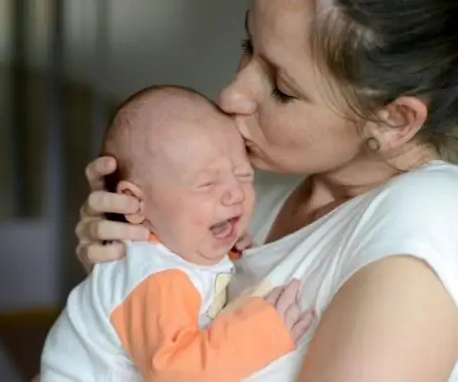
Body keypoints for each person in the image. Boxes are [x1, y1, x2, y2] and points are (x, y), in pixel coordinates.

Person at [73, 1, 458, 381]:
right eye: (248, 47)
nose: (231, 95)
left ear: (393, 120)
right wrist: (128, 274)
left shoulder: (426, 219)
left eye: (281, 88)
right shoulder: (256, 199)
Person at [40, 85, 313, 382]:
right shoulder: (157, 279)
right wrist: (261, 335)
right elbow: (173, 371)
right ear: (136, 203)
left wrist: (229, 247)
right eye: (207, 184)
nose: (234, 193)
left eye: (243, 175)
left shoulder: (175, 246)